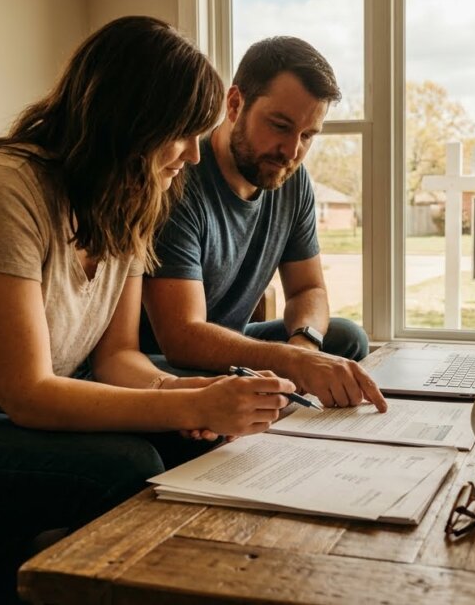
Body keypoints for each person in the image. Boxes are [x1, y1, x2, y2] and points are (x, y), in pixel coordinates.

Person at [0, 17, 296, 563]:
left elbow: (119, 358)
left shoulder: (130, 202)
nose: (194, 156)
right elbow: (28, 393)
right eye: (180, 133)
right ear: (129, 120)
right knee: (123, 467)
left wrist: (195, 396)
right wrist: (193, 403)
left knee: (194, 439)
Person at [140, 36, 387, 412]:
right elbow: (181, 336)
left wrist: (304, 347)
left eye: (307, 136)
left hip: (232, 342)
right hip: (160, 362)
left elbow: (309, 289)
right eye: (280, 126)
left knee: (346, 339)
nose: (291, 151)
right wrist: (293, 363)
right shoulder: (179, 176)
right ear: (236, 103)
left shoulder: (292, 178)